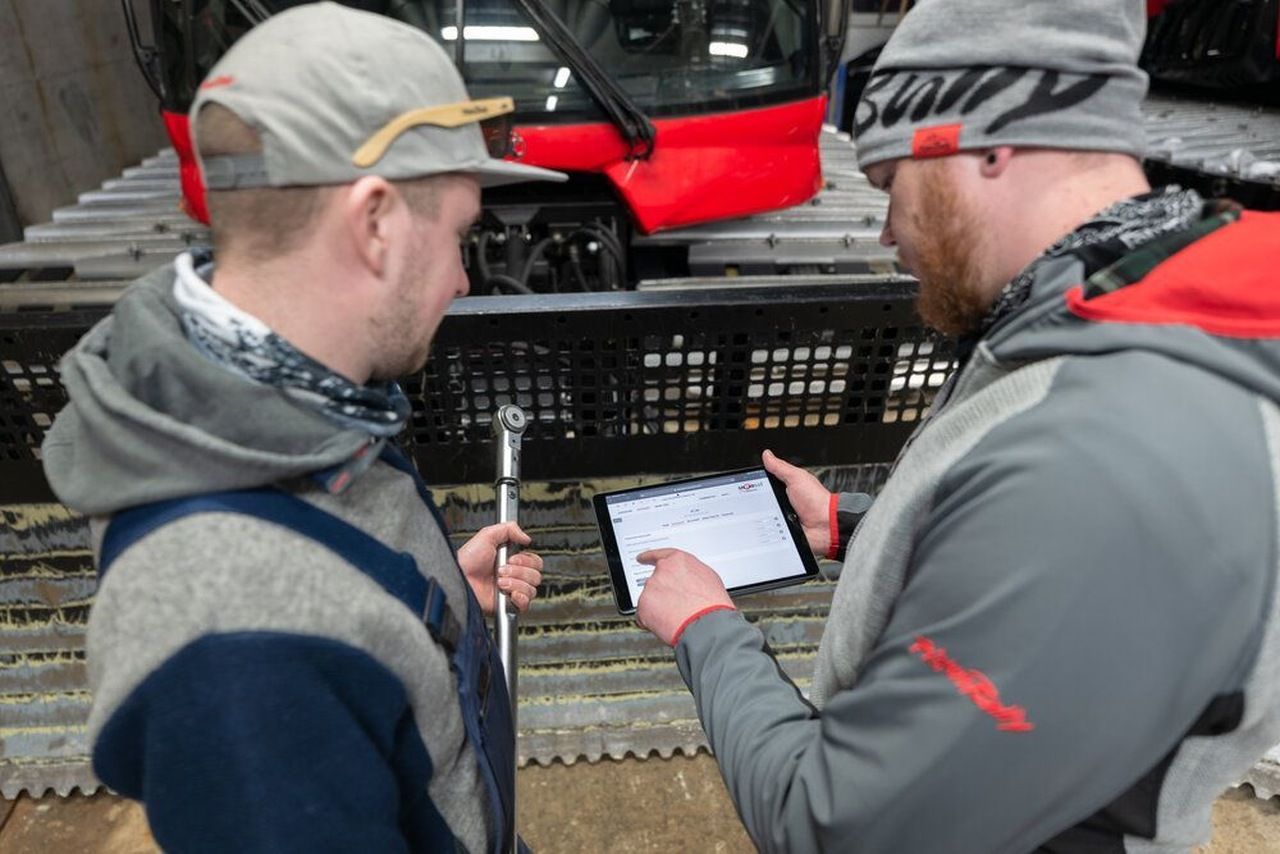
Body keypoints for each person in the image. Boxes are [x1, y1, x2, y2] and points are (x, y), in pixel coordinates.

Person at [634, 1, 1280, 851]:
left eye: (890, 185)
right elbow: (1048, 587)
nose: (887, 231)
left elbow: (839, 827)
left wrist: (706, 628)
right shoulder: (1106, 320)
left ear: (984, 144)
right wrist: (856, 531)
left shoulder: (1102, 458)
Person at [41, 4, 566, 851]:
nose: (465, 281)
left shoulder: (286, 408)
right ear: (374, 223)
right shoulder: (234, 652)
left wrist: (424, 611)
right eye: (461, 236)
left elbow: (331, 598)